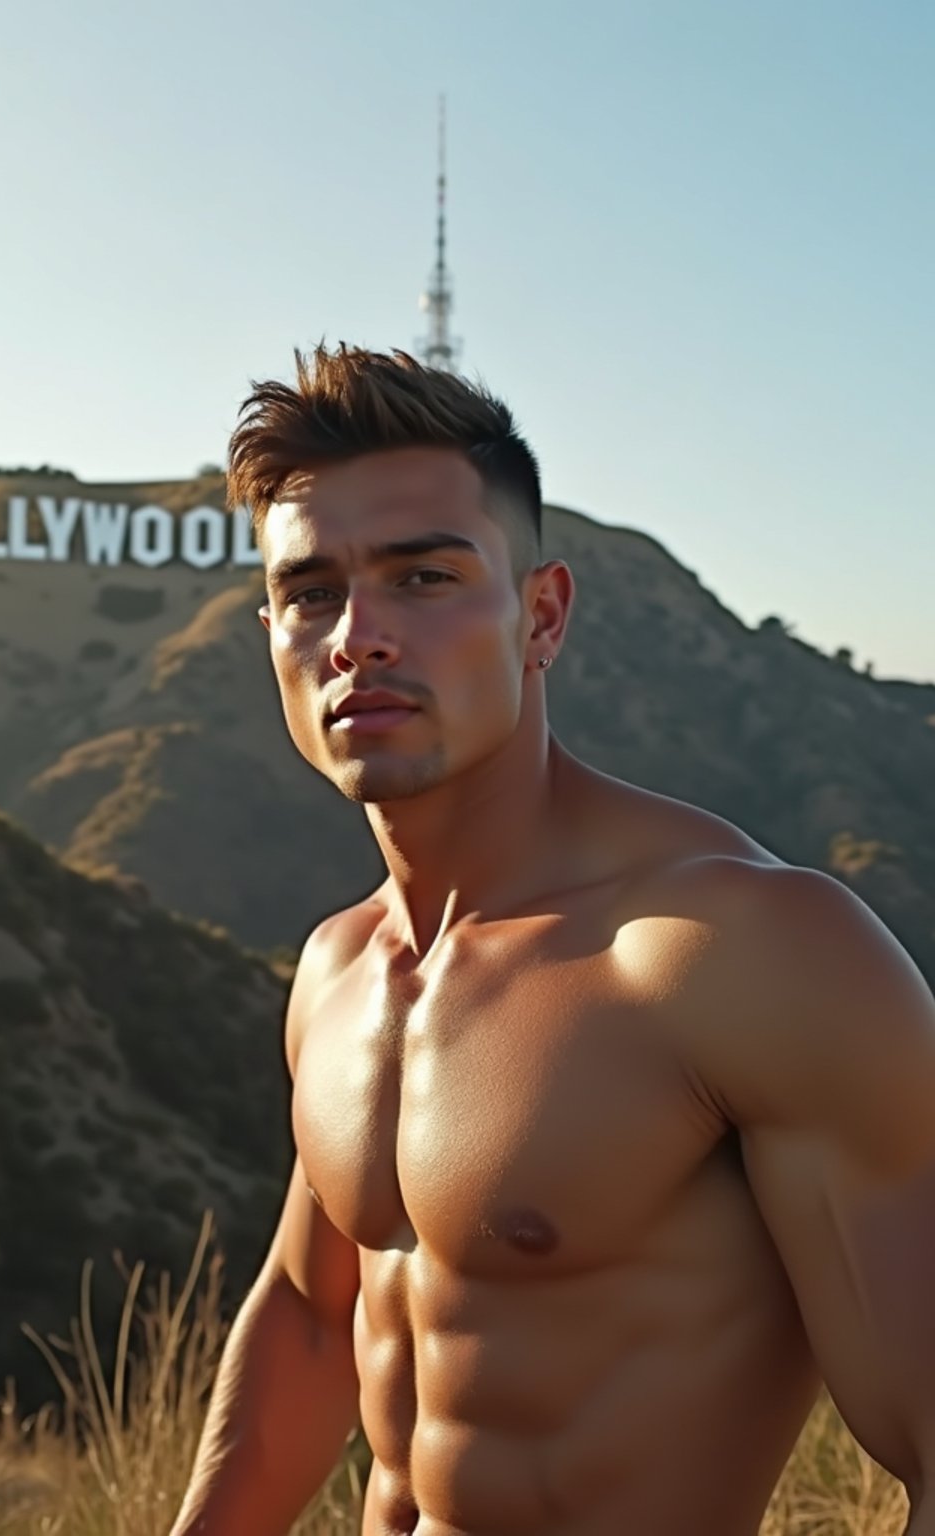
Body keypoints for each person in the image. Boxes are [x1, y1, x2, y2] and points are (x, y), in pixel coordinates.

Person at [170, 345, 935, 1536]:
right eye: (312, 592)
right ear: (271, 631)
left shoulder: (735, 951)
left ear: (541, 615)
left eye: (422, 577)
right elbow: (314, 1323)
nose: (357, 635)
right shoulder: (339, 970)